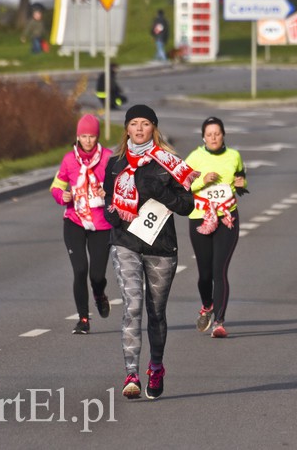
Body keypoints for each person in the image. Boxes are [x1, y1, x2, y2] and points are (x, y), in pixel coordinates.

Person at [103, 104, 200, 400]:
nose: (140, 128)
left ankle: (155, 366)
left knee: (156, 312)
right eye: (134, 123)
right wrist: (119, 216)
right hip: (126, 243)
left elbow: (187, 206)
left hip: (161, 247)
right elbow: (108, 206)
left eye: (146, 123)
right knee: (132, 306)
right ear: (127, 129)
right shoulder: (116, 163)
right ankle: (131, 372)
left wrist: (160, 192)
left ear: (153, 128)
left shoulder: (170, 163)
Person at [50, 114, 114, 334]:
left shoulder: (107, 157)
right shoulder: (69, 160)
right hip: (74, 221)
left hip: (101, 224)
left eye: (92, 136)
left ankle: (99, 293)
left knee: (96, 275)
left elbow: (120, 185)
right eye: (84, 136)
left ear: (97, 137)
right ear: (78, 136)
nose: (87, 141)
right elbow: (56, 187)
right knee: (80, 270)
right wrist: (62, 196)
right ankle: (83, 319)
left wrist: (107, 191)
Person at [185, 117, 247, 339]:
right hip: (200, 217)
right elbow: (183, 184)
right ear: (203, 137)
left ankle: (219, 322)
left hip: (227, 218)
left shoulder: (234, 156)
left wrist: (242, 184)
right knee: (205, 274)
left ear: (223, 135)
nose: (213, 138)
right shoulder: (194, 157)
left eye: (217, 133)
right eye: (209, 134)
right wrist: (203, 181)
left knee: (220, 270)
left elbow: (241, 177)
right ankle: (207, 305)